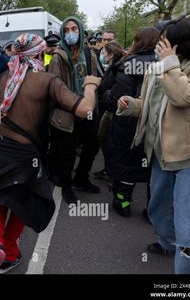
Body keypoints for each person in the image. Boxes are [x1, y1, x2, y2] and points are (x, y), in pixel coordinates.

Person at [0, 34, 101, 274]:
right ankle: (10, 251)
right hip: (23, 151)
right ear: (39, 54)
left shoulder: (3, 78)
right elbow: (85, 109)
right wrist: (91, 85)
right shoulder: (46, 80)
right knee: (22, 200)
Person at [117, 18, 190, 274]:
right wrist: (131, 105)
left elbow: (183, 97)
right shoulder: (158, 68)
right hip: (163, 155)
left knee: (188, 224)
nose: (159, 44)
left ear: (179, 43)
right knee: (158, 208)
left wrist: (170, 65)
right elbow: (153, 106)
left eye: (164, 39)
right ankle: (168, 243)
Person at [101, 29, 158, 217]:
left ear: (138, 42)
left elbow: (115, 99)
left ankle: (123, 203)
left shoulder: (129, 64)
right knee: (151, 168)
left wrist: (107, 95)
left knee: (126, 164)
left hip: (128, 123)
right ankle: (152, 209)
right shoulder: (164, 64)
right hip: (157, 124)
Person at [47, 16, 101, 204]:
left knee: (92, 146)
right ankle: (66, 187)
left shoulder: (89, 54)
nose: (71, 33)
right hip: (66, 113)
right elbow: (55, 88)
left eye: (74, 29)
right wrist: (76, 104)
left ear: (80, 30)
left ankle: (81, 178)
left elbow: (95, 79)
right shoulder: (58, 57)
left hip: (87, 111)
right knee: (67, 154)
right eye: (67, 30)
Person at [94, 41, 126, 182]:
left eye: (104, 53)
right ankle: (110, 169)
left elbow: (108, 87)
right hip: (109, 108)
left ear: (111, 54)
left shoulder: (117, 68)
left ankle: (112, 170)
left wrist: (98, 85)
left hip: (112, 110)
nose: (103, 55)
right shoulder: (114, 66)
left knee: (105, 139)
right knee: (103, 138)